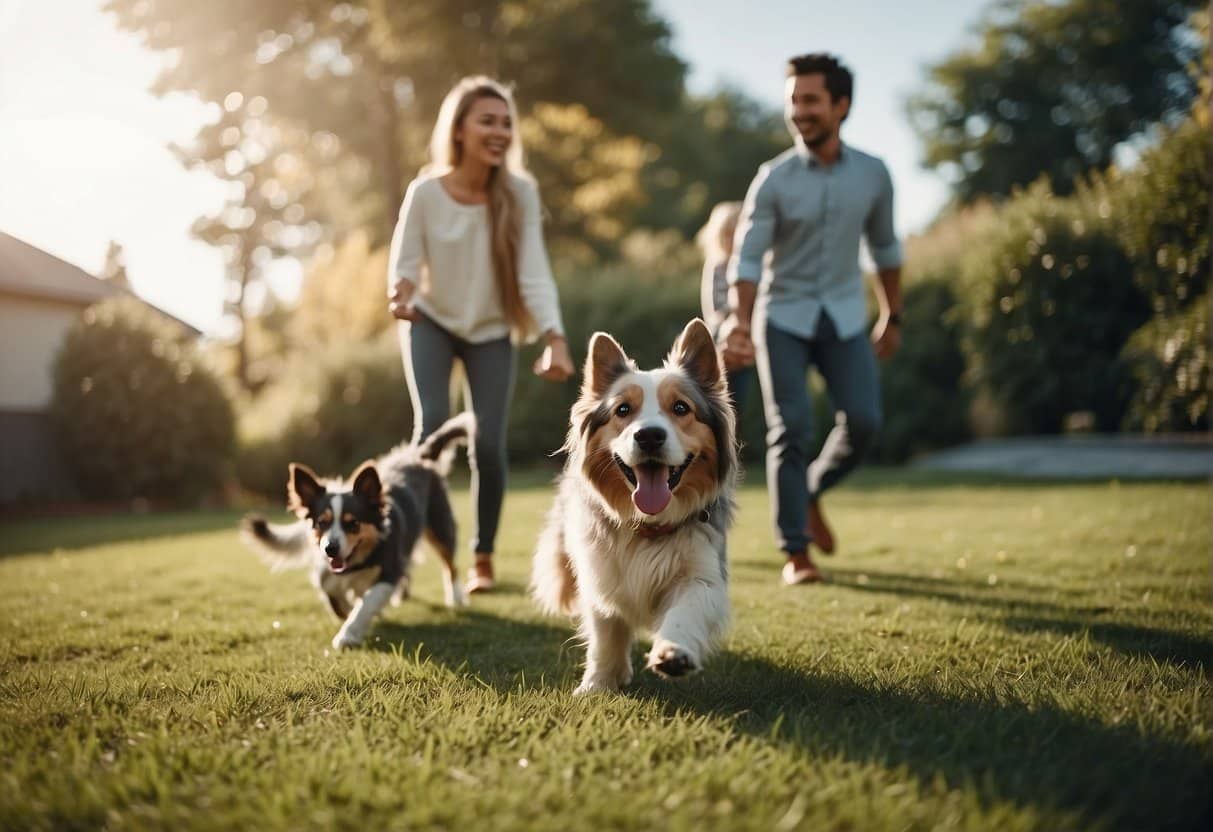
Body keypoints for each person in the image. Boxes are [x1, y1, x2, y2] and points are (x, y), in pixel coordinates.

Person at [720, 53, 904, 586]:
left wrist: (892, 315)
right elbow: (747, 259)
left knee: (865, 422)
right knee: (791, 429)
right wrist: (738, 320)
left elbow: (886, 249)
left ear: (841, 106)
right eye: (793, 101)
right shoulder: (772, 179)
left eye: (811, 101)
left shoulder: (874, 175)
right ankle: (795, 552)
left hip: (845, 315)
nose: (799, 111)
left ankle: (812, 491)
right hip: (782, 316)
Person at [387, 76, 575, 594]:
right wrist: (400, 294)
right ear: (460, 129)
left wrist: (555, 337)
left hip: (491, 331)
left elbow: (534, 272)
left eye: (506, 122)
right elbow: (403, 262)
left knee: (488, 444)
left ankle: (482, 558)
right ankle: (400, 553)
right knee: (432, 429)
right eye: (487, 121)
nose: (500, 131)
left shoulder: (519, 193)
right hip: (431, 322)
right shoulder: (425, 191)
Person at [696, 201, 756, 411]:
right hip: (726, 338)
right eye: (729, 234)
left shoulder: (757, 267)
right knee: (729, 395)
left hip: (753, 337)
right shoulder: (717, 265)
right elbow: (715, 311)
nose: (735, 240)